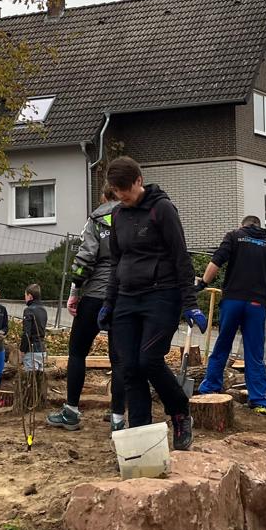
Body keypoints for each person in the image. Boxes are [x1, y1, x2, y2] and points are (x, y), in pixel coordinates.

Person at [100, 156, 205, 450]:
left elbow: (181, 257)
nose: (122, 195)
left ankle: (180, 413)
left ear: (139, 181)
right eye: (117, 191)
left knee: (149, 360)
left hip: (161, 296)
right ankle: (141, 440)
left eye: (126, 189)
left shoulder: (163, 209)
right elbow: (116, 262)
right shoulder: (118, 215)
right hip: (126, 298)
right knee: (130, 368)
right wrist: (108, 302)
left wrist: (190, 303)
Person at [197, 215, 266, 413]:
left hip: (232, 301)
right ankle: (259, 401)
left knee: (222, 346)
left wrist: (203, 282)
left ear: (243, 225)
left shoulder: (234, 236)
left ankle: (209, 389)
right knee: (254, 353)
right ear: (259, 226)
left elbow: (216, 261)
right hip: (256, 304)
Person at [48, 187, 120, 432]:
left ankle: (71, 411)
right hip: (123, 295)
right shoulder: (133, 216)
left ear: (104, 196)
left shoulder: (97, 219)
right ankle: (118, 415)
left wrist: (75, 291)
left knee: (77, 352)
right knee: (119, 358)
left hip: (95, 295)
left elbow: (85, 258)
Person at [20, 282, 49, 375]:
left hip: (32, 350)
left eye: (25, 295)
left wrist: (22, 349)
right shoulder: (43, 310)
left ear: (30, 296)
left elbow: (26, 333)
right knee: (39, 378)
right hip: (42, 349)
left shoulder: (29, 310)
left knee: (31, 378)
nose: (25, 298)